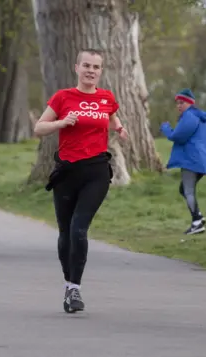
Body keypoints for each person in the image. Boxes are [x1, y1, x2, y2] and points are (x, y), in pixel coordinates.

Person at [33, 49, 128, 313]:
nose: (91, 71)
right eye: (86, 65)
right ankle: (68, 284)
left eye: (96, 67)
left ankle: (75, 288)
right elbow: (39, 128)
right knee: (65, 233)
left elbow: (111, 118)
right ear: (77, 68)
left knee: (78, 229)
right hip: (67, 172)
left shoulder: (106, 98)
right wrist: (62, 123)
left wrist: (120, 129)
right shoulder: (63, 97)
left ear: (100, 71)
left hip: (96, 171)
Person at [161, 88, 206, 235]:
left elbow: (178, 136)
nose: (179, 106)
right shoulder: (204, 119)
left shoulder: (189, 117)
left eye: (182, 103)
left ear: (190, 104)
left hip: (191, 160)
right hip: (201, 162)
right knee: (185, 189)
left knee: (187, 191)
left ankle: (196, 223)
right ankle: (198, 217)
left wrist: (166, 128)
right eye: (177, 103)